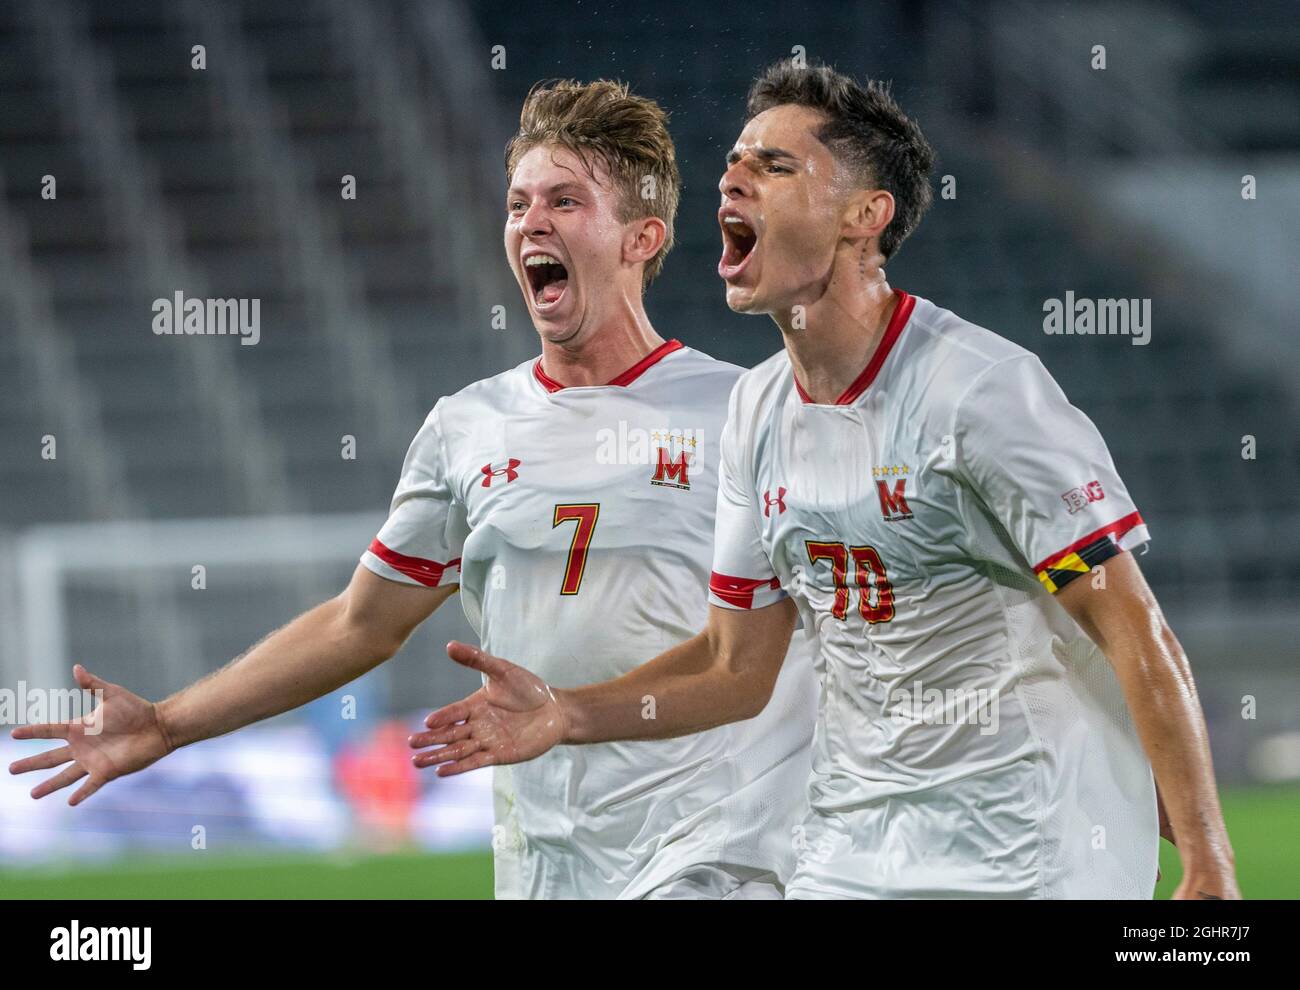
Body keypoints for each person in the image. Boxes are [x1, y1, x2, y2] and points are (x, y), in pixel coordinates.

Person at [413, 63, 1240, 900]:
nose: (733, 176)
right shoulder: (758, 410)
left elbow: (1132, 627)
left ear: (864, 217)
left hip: (1027, 847)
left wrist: (1207, 861)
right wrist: (564, 711)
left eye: (775, 165)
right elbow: (735, 667)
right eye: (737, 160)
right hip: (850, 854)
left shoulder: (980, 394)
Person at [10, 79, 817, 901]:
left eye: (566, 202)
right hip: (549, 865)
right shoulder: (468, 427)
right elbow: (360, 625)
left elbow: (776, 649)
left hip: (717, 855)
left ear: (641, 237)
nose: (531, 221)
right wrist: (166, 724)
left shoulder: (744, 410)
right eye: (517, 203)